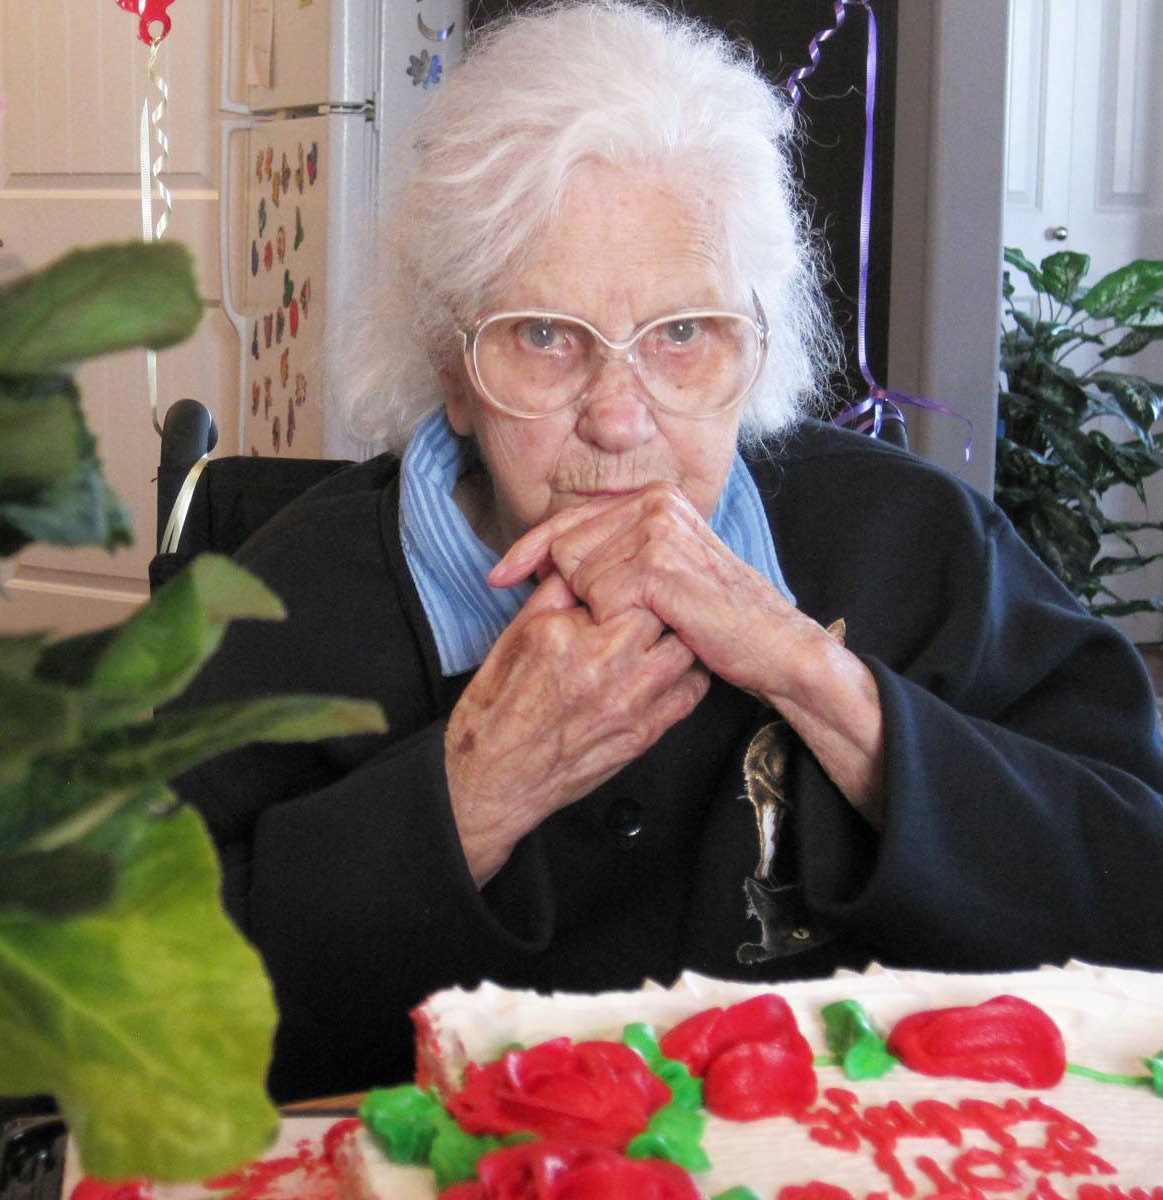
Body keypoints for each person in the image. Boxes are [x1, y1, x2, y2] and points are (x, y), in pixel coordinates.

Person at [170, 0, 1163, 1101]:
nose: (620, 419)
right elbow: (124, 1022)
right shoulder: (269, 608)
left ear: (755, 344)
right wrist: (477, 787)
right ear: (449, 368)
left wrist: (815, 679)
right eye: (545, 336)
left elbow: (1136, 894)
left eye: (682, 335)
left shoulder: (912, 543)